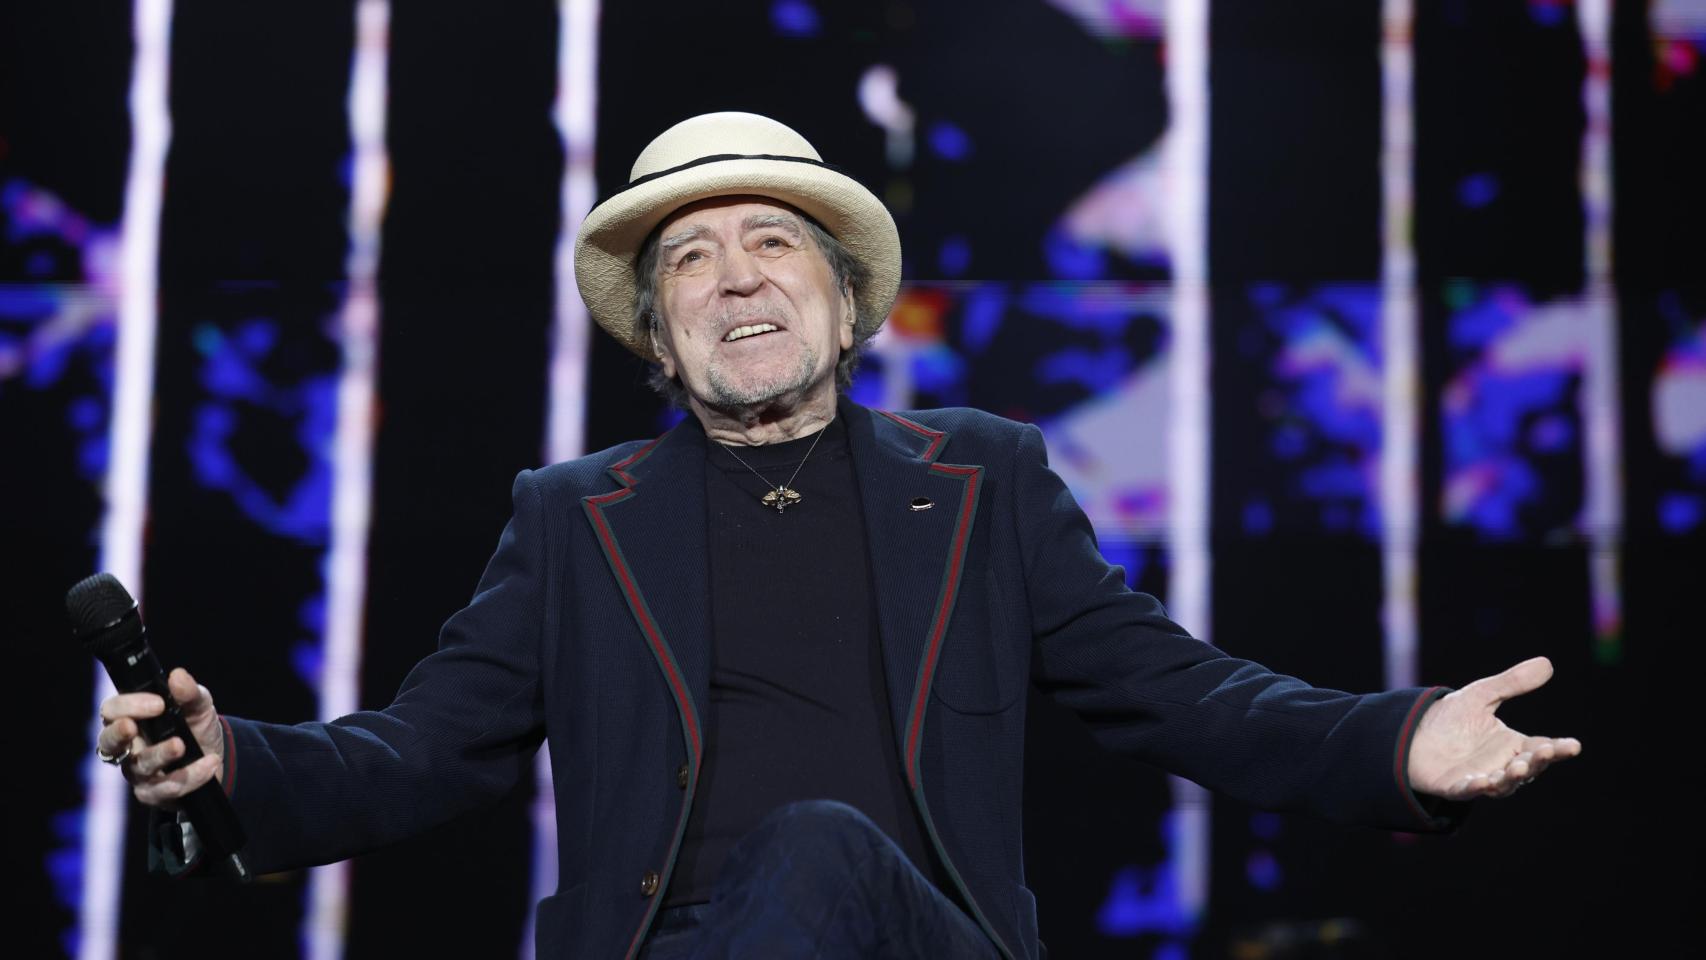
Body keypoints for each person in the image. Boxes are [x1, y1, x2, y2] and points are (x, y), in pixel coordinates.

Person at [96, 112, 1581, 960]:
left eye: (771, 242)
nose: (735, 277)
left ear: (843, 300)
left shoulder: (984, 481)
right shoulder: (573, 521)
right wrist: (238, 763)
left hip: (918, 942)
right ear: (660, 343)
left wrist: (1397, 743)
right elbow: (419, 754)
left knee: (816, 854)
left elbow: (1183, 693)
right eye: (690, 258)